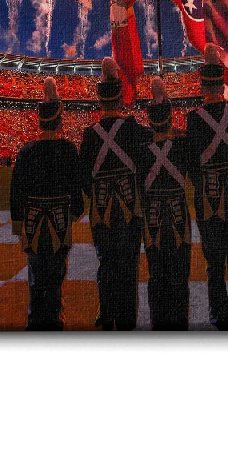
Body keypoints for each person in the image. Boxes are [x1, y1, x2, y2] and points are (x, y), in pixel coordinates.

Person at [79, 57, 153, 331]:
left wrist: (97, 193)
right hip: (130, 207)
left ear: (100, 100)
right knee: (128, 265)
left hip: (100, 210)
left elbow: (84, 176)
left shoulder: (89, 134)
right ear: (121, 97)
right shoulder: (134, 129)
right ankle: (126, 318)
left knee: (106, 263)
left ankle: (106, 312)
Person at [185, 44, 228, 332]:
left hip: (208, 196)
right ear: (222, 82)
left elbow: (191, 165)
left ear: (203, 84)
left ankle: (218, 315)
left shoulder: (193, 120)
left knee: (214, 264)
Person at [10, 77, 84, 331]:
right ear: (60, 119)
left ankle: (35, 320)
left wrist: (19, 223)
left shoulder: (26, 151)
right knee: (56, 277)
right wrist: (75, 212)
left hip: (32, 225)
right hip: (60, 223)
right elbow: (77, 192)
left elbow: (16, 191)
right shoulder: (68, 149)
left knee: (35, 277)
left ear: (40, 119)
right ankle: (54, 319)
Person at [135, 77, 192, 331]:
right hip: (179, 217)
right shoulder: (182, 146)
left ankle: (158, 322)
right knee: (180, 276)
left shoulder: (140, 150)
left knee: (156, 276)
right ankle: (180, 322)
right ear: (170, 117)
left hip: (153, 219)